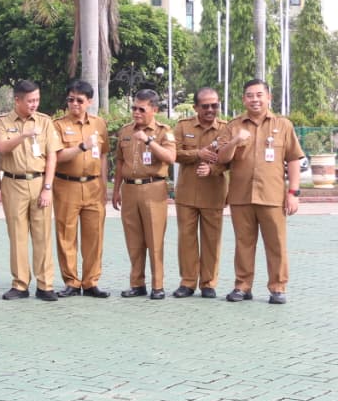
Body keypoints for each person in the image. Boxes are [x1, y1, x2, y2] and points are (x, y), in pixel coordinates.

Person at [215, 79, 303, 304]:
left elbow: (293, 158)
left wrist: (293, 192)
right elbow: (222, 158)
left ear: (268, 98)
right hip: (241, 196)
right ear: (243, 99)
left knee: (276, 244)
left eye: (259, 95)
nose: (254, 99)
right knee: (243, 243)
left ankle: (278, 287)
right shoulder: (234, 126)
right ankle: (242, 286)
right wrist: (235, 140)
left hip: (272, 196)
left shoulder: (283, 125)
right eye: (249, 95)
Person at [0, 80, 60, 302]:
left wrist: (47, 188)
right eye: (30, 100)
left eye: (37, 99)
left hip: (39, 182)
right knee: (18, 236)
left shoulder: (45, 121)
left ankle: (45, 284)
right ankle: (20, 284)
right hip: (13, 183)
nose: (34, 104)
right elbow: (1, 147)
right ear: (17, 100)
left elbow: (52, 156)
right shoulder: (3, 122)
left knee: (42, 236)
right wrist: (23, 135)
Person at [112, 89, 176, 299]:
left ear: (154, 109)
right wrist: (116, 190)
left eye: (142, 109)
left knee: (154, 239)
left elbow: (170, 157)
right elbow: (120, 162)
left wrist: (149, 141)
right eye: (134, 108)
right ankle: (137, 283)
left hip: (153, 188)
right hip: (129, 188)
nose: (136, 113)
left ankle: (157, 285)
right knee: (134, 239)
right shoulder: (125, 131)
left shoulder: (163, 131)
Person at [52, 80, 110, 298]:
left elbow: (104, 154)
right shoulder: (57, 125)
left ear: (89, 102)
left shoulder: (98, 124)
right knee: (66, 234)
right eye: (70, 99)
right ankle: (71, 282)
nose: (74, 104)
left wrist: (103, 184)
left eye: (79, 100)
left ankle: (91, 281)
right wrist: (81, 146)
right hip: (67, 184)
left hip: (93, 185)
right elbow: (57, 156)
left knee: (94, 235)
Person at [172, 88, 229, 299]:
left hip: (213, 191)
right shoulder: (183, 126)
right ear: (196, 107)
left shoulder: (226, 129)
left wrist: (213, 169)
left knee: (212, 240)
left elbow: (231, 160)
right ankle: (187, 282)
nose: (210, 110)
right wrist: (198, 154)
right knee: (186, 239)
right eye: (205, 106)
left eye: (214, 105)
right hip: (187, 191)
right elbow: (174, 153)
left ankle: (208, 283)